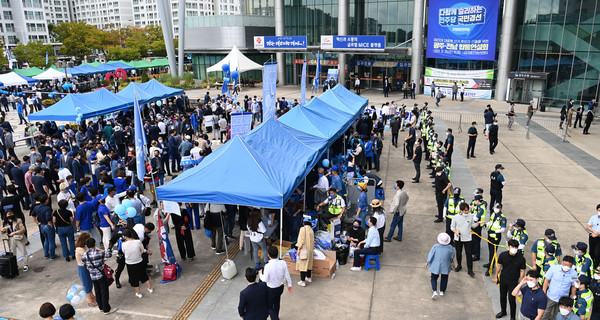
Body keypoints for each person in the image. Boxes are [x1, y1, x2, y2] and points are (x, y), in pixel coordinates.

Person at [81, 237, 117, 315]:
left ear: (86, 246)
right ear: (95, 244)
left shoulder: (84, 255)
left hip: (93, 276)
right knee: (104, 292)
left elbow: (84, 265)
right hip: (101, 275)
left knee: (97, 291)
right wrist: (100, 249)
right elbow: (109, 254)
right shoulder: (99, 253)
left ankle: (100, 307)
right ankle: (106, 309)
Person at [494, 239, 527, 320]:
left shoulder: (521, 258)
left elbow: (522, 271)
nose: (514, 248)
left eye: (516, 247)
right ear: (508, 246)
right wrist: (496, 277)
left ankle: (512, 317)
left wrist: (520, 283)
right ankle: (503, 311)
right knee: (502, 297)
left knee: (512, 300)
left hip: (513, 282)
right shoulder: (502, 255)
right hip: (503, 279)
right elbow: (499, 266)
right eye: (512, 247)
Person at [259, 246, 293, 320]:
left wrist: (260, 274)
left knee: (270, 306)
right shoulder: (283, 263)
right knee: (277, 303)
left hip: (271, 289)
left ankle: (275, 318)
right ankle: (276, 316)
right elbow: (287, 275)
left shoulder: (267, 266)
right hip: (280, 287)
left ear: (268, 255)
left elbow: (264, 279)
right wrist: (290, 285)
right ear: (277, 253)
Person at [541, 256, 578, 320]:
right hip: (551, 297)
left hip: (562, 300)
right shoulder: (554, 268)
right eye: (565, 264)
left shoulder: (574, 274)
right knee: (545, 313)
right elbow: (546, 280)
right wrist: (543, 293)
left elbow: (574, 286)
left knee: (557, 316)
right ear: (562, 262)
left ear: (572, 265)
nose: (566, 266)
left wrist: (572, 297)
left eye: (568, 265)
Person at [120, 229, 153, 298]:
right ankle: (150, 288)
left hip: (130, 264)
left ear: (125, 236)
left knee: (133, 278)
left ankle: (139, 293)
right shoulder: (138, 242)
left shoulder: (124, 244)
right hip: (139, 261)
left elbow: (124, 252)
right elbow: (142, 250)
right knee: (144, 275)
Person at [451, 202, 480, 277]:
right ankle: (459, 265)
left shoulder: (470, 216)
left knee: (469, 254)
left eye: (468, 210)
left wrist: (478, 223)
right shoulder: (456, 217)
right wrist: (456, 232)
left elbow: (472, 225)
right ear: (461, 210)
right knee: (458, 253)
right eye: (466, 210)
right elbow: (452, 227)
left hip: (468, 238)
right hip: (458, 238)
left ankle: (470, 269)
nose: (467, 212)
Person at [426, 233, 454, 299]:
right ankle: (442, 291)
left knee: (434, 278)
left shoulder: (435, 247)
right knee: (444, 277)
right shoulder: (450, 247)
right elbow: (452, 256)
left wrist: (428, 261)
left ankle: (434, 290)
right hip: (446, 265)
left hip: (436, 265)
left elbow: (431, 255)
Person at [484, 204, 507, 277]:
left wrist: (494, 232)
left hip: (495, 237)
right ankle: (490, 263)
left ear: (501, 209)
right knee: (490, 251)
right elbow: (491, 222)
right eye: (495, 208)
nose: (496, 209)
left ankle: (490, 268)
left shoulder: (503, 218)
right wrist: (486, 225)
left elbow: (503, 229)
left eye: (498, 208)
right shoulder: (493, 214)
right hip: (490, 236)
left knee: (493, 252)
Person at [30, 194, 56, 259]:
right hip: (47, 226)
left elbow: (32, 215)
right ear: (45, 201)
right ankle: (52, 255)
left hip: (42, 226)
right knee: (51, 241)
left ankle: (46, 253)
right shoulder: (47, 208)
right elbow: (48, 217)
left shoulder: (36, 207)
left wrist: (37, 222)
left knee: (46, 240)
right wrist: (50, 223)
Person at [75, 232, 97, 306]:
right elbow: (88, 255)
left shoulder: (84, 247)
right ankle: (90, 300)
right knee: (86, 283)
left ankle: (92, 295)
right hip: (83, 268)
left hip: (87, 267)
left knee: (90, 283)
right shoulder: (79, 249)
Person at [296, 216, 315, 287]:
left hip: (304, 249)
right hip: (310, 250)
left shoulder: (303, 229)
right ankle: (309, 277)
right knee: (309, 264)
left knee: (303, 265)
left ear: (304, 223)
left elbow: (301, 240)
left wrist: (298, 249)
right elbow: (313, 241)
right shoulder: (311, 230)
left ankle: (303, 281)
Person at [587, 204, 600, 269]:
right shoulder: (593, 217)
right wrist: (594, 232)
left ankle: (596, 267)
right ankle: (590, 265)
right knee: (591, 252)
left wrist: (598, 234)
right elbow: (588, 226)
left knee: (597, 254)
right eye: (599, 210)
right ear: (597, 210)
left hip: (599, 238)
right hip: (592, 237)